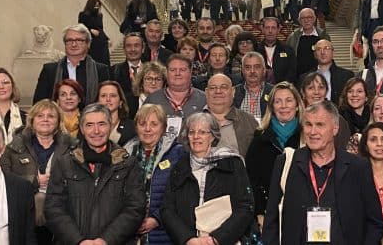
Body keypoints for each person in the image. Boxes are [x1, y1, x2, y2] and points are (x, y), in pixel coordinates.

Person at [263, 101, 383, 244]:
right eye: (308, 125)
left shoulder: (358, 167)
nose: (312, 132)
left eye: (320, 125)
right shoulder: (286, 163)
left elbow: (375, 222)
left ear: (335, 129)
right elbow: (271, 221)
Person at [45, 104, 146, 244]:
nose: (96, 131)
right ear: (82, 129)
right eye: (90, 125)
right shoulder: (64, 163)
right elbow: (53, 208)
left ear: (110, 126)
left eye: (101, 124)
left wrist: (106, 240)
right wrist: (78, 241)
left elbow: (135, 208)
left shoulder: (128, 164)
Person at [161, 113, 256, 245]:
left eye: (202, 132)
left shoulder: (232, 163)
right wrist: (188, 239)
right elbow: (167, 210)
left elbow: (245, 206)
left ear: (212, 136)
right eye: (191, 132)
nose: (196, 137)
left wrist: (216, 239)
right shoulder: (179, 167)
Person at [0, 99, 74, 244]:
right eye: (40, 116)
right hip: (23, 207)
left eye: (51, 116)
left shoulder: (72, 146)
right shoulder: (14, 147)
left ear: (58, 121)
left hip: (63, 207)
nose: (45, 119)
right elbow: (3, 178)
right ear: (32, 120)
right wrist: (34, 181)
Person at [123, 104, 186, 244]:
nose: (147, 129)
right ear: (136, 127)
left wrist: (157, 219)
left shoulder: (177, 154)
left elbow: (182, 195)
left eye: (154, 124)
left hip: (164, 233)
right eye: (142, 123)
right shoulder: (124, 154)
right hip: (129, 233)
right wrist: (130, 221)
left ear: (163, 127)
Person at [245, 82, 303, 228]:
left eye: (289, 100)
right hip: (268, 214)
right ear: (271, 107)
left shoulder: (309, 136)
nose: (283, 106)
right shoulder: (259, 139)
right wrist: (259, 213)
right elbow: (251, 180)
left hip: (302, 211)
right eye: (278, 101)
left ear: (297, 105)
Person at [32, 23, 110, 104]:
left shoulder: (101, 70)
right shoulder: (50, 70)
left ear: (88, 44)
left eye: (79, 40)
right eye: (69, 40)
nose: (74, 44)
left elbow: (106, 102)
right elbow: (39, 103)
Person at [203, 74, 258, 157]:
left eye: (224, 87)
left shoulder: (249, 122)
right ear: (206, 93)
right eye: (213, 88)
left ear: (233, 92)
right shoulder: (192, 122)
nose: (218, 91)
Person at [300, 72, 352, 150]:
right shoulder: (297, 118)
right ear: (303, 93)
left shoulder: (338, 120)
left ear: (326, 91)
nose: (316, 92)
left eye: (321, 87)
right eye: (311, 88)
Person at [145, 54, 207, 119]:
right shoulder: (152, 100)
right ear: (166, 72)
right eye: (173, 70)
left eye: (182, 70)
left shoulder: (204, 99)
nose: (177, 73)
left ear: (190, 72)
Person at [300, 39, 353, 104]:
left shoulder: (346, 76)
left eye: (326, 48)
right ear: (315, 54)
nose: (322, 52)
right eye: (319, 49)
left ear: (333, 53)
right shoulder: (304, 77)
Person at [286, 8, 331, 78]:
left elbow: (329, 56)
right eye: (303, 18)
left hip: (320, 77)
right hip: (298, 78)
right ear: (299, 21)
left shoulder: (323, 36)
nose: (306, 20)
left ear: (314, 19)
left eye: (309, 17)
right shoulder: (293, 37)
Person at [233, 52, 274, 119]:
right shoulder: (233, 92)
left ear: (264, 70)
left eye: (257, 67)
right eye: (247, 67)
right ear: (242, 71)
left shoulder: (274, 92)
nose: (252, 71)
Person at [256, 17, 297, 84]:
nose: (270, 31)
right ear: (262, 29)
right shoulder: (256, 50)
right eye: (267, 28)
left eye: (273, 28)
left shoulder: (288, 50)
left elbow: (292, 73)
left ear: (278, 30)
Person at [96, 81, 137, 146]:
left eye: (113, 96)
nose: (108, 99)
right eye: (103, 96)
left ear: (120, 102)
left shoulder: (132, 127)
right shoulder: (90, 126)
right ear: (97, 102)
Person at [338, 77, 372, 153]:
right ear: (346, 96)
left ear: (366, 96)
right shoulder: (339, 118)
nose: (354, 95)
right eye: (350, 91)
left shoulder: (374, 115)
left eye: (359, 91)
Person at [110, 33, 144, 101]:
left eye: (136, 45)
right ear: (124, 49)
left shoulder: (150, 70)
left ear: (143, 49)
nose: (133, 49)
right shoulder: (114, 71)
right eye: (129, 46)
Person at [78, 0, 111, 66]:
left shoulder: (100, 16)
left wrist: (107, 39)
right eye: (95, 6)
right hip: (91, 42)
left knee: (104, 62)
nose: (97, 8)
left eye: (98, 6)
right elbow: (81, 28)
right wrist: (90, 31)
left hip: (101, 41)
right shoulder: (83, 15)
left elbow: (101, 29)